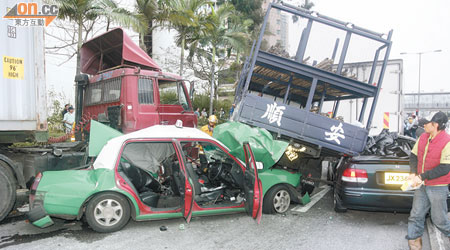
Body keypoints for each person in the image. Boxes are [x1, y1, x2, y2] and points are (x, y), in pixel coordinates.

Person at [406, 111, 450, 249]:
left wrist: (422, 176)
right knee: (416, 215)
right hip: (422, 184)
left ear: (436, 124)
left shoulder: (447, 141)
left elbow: (445, 168)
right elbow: (413, 156)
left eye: (427, 123)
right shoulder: (423, 137)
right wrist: (413, 173)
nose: (423, 125)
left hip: (438, 186)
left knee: (439, 220)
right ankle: (414, 244)